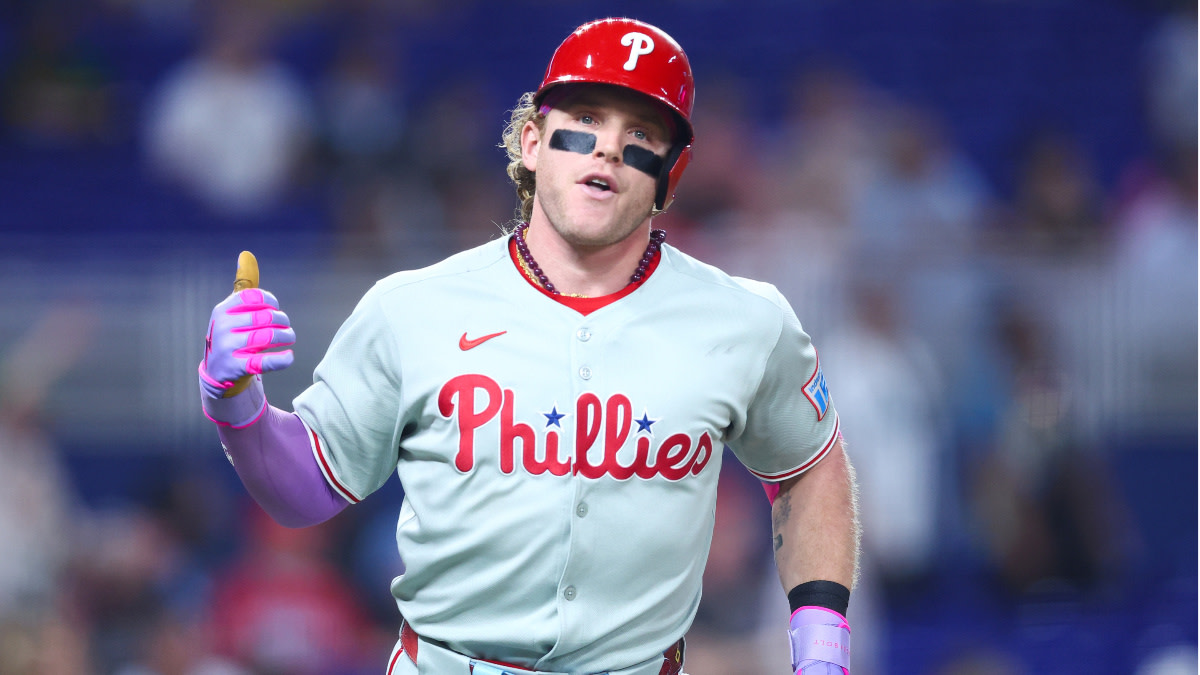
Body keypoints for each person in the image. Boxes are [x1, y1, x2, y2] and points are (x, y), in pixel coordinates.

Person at [197, 17, 860, 675]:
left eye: (641, 137)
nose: (606, 149)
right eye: (586, 121)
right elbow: (306, 491)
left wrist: (821, 636)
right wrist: (235, 401)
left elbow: (808, 464)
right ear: (532, 141)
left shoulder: (745, 320)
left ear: (670, 173)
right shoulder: (413, 308)